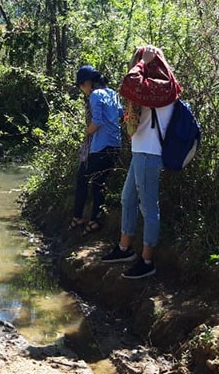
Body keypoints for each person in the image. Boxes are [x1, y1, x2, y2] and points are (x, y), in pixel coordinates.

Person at [101, 45, 181, 279]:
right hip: (141, 152)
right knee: (127, 198)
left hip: (150, 153)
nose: (135, 63)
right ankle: (124, 249)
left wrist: (142, 62)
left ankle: (147, 261)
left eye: (139, 60)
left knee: (149, 208)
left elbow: (129, 83)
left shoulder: (163, 89)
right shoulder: (151, 88)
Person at [70, 65, 123, 234]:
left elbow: (97, 121)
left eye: (80, 85)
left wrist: (87, 133)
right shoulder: (113, 94)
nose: (81, 89)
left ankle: (78, 217)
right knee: (99, 183)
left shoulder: (95, 95)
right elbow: (121, 115)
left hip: (100, 147)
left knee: (81, 178)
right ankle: (94, 220)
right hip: (115, 146)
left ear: (87, 83)